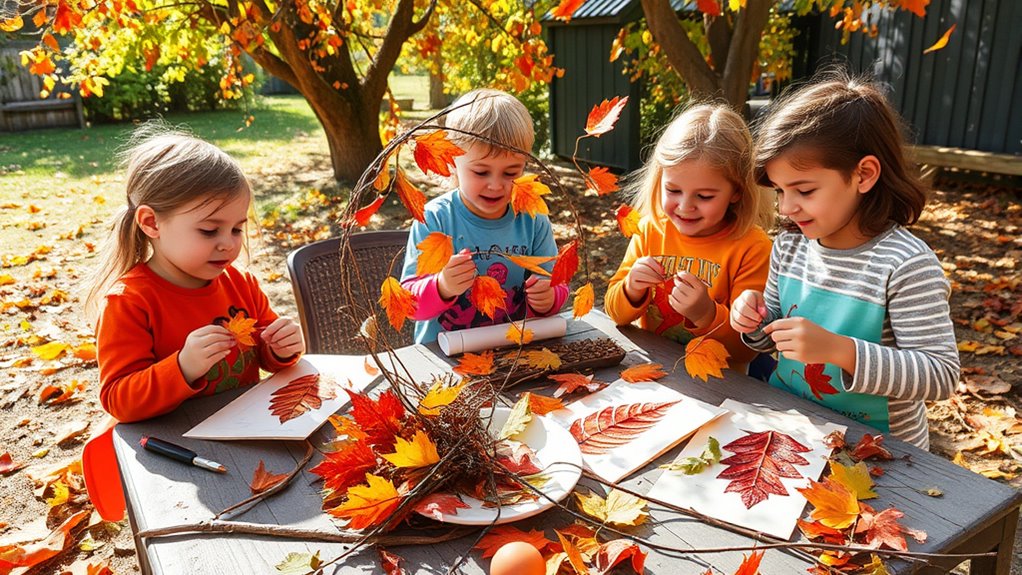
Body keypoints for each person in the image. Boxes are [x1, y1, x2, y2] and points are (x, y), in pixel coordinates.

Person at [730, 73, 959, 449]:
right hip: (791, 426)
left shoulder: (905, 263)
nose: (787, 207)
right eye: (781, 191)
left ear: (863, 175)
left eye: (804, 190)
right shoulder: (790, 246)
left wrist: (840, 350)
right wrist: (752, 318)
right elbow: (771, 339)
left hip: (878, 449)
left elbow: (940, 375)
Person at [85, 125, 305, 423]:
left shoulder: (241, 284)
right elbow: (118, 400)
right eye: (209, 230)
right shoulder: (129, 302)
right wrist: (183, 366)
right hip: (172, 445)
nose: (228, 243)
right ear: (151, 223)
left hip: (245, 430)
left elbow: (267, 354)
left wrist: (282, 348)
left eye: (237, 228)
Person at [605, 103, 773, 373]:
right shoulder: (650, 230)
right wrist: (631, 289)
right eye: (673, 190)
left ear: (737, 191)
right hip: (656, 371)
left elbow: (747, 350)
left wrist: (706, 314)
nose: (684, 206)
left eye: (704, 196)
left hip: (723, 385)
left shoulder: (752, 247)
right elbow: (615, 313)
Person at [400, 88, 568, 343]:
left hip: (513, 352)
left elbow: (556, 284)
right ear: (452, 162)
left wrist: (548, 299)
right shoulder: (434, 219)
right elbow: (408, 305)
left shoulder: (532, 218)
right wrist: (442, 287)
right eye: (481, 172)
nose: (496, 185)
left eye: (511, 172)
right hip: (444, 359)